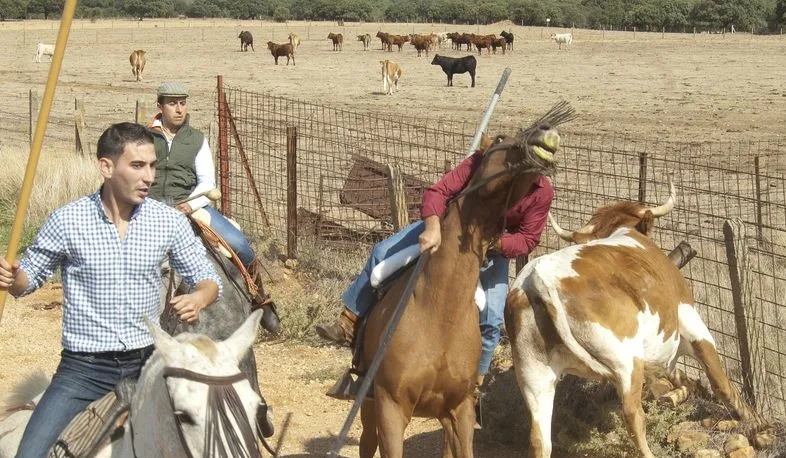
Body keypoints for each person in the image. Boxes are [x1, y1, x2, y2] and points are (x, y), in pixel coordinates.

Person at [0, 123, 222, 458]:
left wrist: (200, 296)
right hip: (83, 373)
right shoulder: (67, 221)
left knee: (210, 453)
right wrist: (10, 276)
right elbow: (26, 281)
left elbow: (206, 278)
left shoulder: (166, 221)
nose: (149, 176)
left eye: (152, 167)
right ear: (106, 167)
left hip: (147, 367)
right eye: (137, 166)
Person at [316, 151, 554, 387]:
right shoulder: (482, 163)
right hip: (446, 227)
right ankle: (349, 323)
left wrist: (496, 243)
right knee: (381, 253)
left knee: (491, 319)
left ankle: (474, 386)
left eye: (538, 172)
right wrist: (432, 226)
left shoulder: (542, 193)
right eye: (529, 170)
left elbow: (528, 239)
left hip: (491, 250)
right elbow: (438, 191)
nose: (532, 178)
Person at [147, 81, 281, 335]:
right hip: (150, 209)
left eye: (182, 103)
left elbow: (207, 182)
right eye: (172, 104)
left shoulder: (196, 139)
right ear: (160, 106)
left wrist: (189, 204)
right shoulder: (144, 137)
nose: (179, 109)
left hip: (191, 204)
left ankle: (258, 299)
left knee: (238, 243)